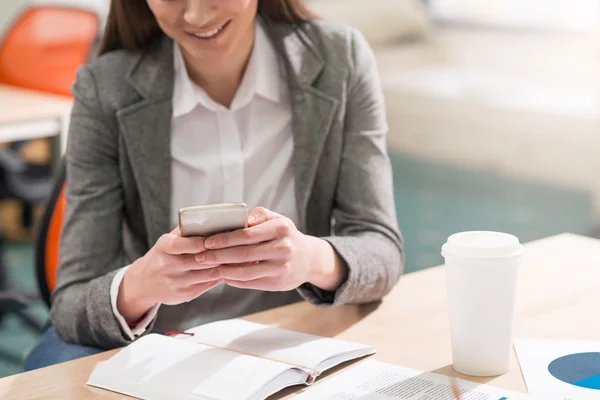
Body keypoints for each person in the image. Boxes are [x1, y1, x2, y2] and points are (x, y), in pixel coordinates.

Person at [23, 0, 404, 370]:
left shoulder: (340, 58)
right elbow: (71, 302)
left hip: (287, 341)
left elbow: (382, 250)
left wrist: (311, 259)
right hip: (151, 345)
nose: (196, 15)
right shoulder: (105, 86)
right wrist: (143, 284)